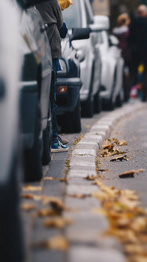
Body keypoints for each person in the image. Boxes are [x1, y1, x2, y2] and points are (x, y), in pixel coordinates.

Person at [35, 0, 69, 152]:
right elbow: (61, 25)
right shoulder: (52, 2)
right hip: (51, 52)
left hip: (36, 52)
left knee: (42, 98)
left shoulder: (27, 5)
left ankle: (51, 137)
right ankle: (54, 140)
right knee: (51, 99)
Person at [128, 5, 147, 102]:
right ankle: (145, 95)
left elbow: (130, 39)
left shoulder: (133, 24)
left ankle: (131, 94)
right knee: (146, 74)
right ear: (145, 13)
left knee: (133, 73)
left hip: (135, 52)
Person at [113, 13, 132, 102]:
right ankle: (126, 96)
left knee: (118, 75)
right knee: (126, 76)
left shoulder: (115, 32)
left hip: (116, 54)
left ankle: (119, 95)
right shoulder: (127, 32)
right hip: (126, 55)